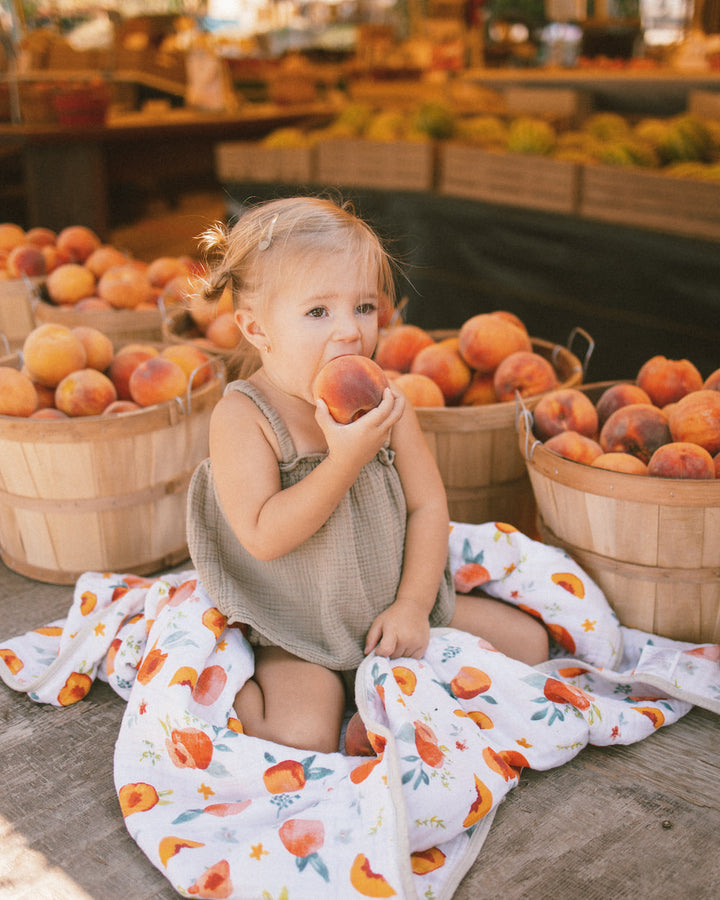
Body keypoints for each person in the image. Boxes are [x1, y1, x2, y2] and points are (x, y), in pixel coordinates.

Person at [187, 195, 549, 755]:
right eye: (318, 313)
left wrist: (411, 606)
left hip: (390, 607)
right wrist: (344, 460)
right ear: (256, 328)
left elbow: (427, 507)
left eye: (363, 307)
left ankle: (382, 703)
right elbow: (264, 535)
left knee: (532, 646)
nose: (351, 332)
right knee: (302, 736)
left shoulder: (383, 399)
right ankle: (233, 692)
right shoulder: (243, 417)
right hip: (301, 627)